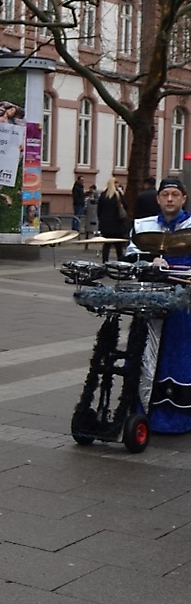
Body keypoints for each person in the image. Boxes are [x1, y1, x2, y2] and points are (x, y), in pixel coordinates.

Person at [129, 175, 191, 433]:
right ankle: (143, 410)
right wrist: (148, 260)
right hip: (151, 300)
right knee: (146, 354)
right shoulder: (144, 226)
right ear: (158, 199)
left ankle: (179, 415)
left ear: (184, 198)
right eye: (165, 195)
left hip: (183, 305)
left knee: (179, 355)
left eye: (175, 195)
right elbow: (130, 258)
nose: (170, 199)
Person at [97, 176, 128, 262]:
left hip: (106, 224)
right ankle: (120, 262)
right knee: (118, 245)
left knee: (107, 244)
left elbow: (99, 210)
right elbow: (126, 205)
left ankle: (105, 262)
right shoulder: (118, 195)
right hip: (117, 223)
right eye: (116, 183)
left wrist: (101, 221)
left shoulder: (103, 195)